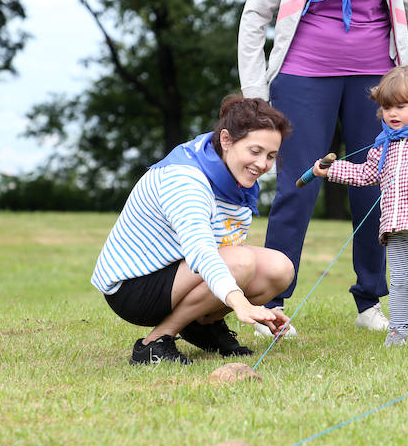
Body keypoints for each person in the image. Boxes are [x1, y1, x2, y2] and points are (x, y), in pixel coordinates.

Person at [237, 0, 408, 338]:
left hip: (379, 80)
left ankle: (370, 300)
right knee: (296, 188)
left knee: (374, 186)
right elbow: (254, 16)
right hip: (301, 78)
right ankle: (273, 304)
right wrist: (255, 96)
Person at [91, 95, 295, 365]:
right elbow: (202, 251)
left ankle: (201, 325)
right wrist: (239, 302)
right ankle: (154, 344)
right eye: (255, 151)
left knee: (279, 269)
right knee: (241, 262)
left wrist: (246, 303)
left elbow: (225, 242)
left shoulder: (231, 173)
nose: (262, 164)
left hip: (177, 272)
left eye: (271, 156)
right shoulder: (186, 178)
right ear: (226, 140)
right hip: (133, 287)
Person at [312, 63, 408, 346]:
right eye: (387, 108)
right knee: (400, 283)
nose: (392, 114)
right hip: (397, 229)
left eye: (400, 106)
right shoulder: (384, 143)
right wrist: (332, 170)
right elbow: (367, 174)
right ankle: (397, 334)